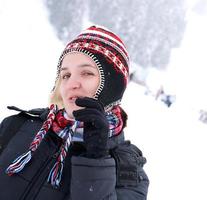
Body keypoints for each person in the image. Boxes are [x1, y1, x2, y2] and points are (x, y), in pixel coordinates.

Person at [0, 25, 149, 200]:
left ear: (112, 86)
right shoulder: (15, 126)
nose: (72, 84)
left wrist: (96, 160)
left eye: (86, 73)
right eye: (65, 75)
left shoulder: (129, 170)